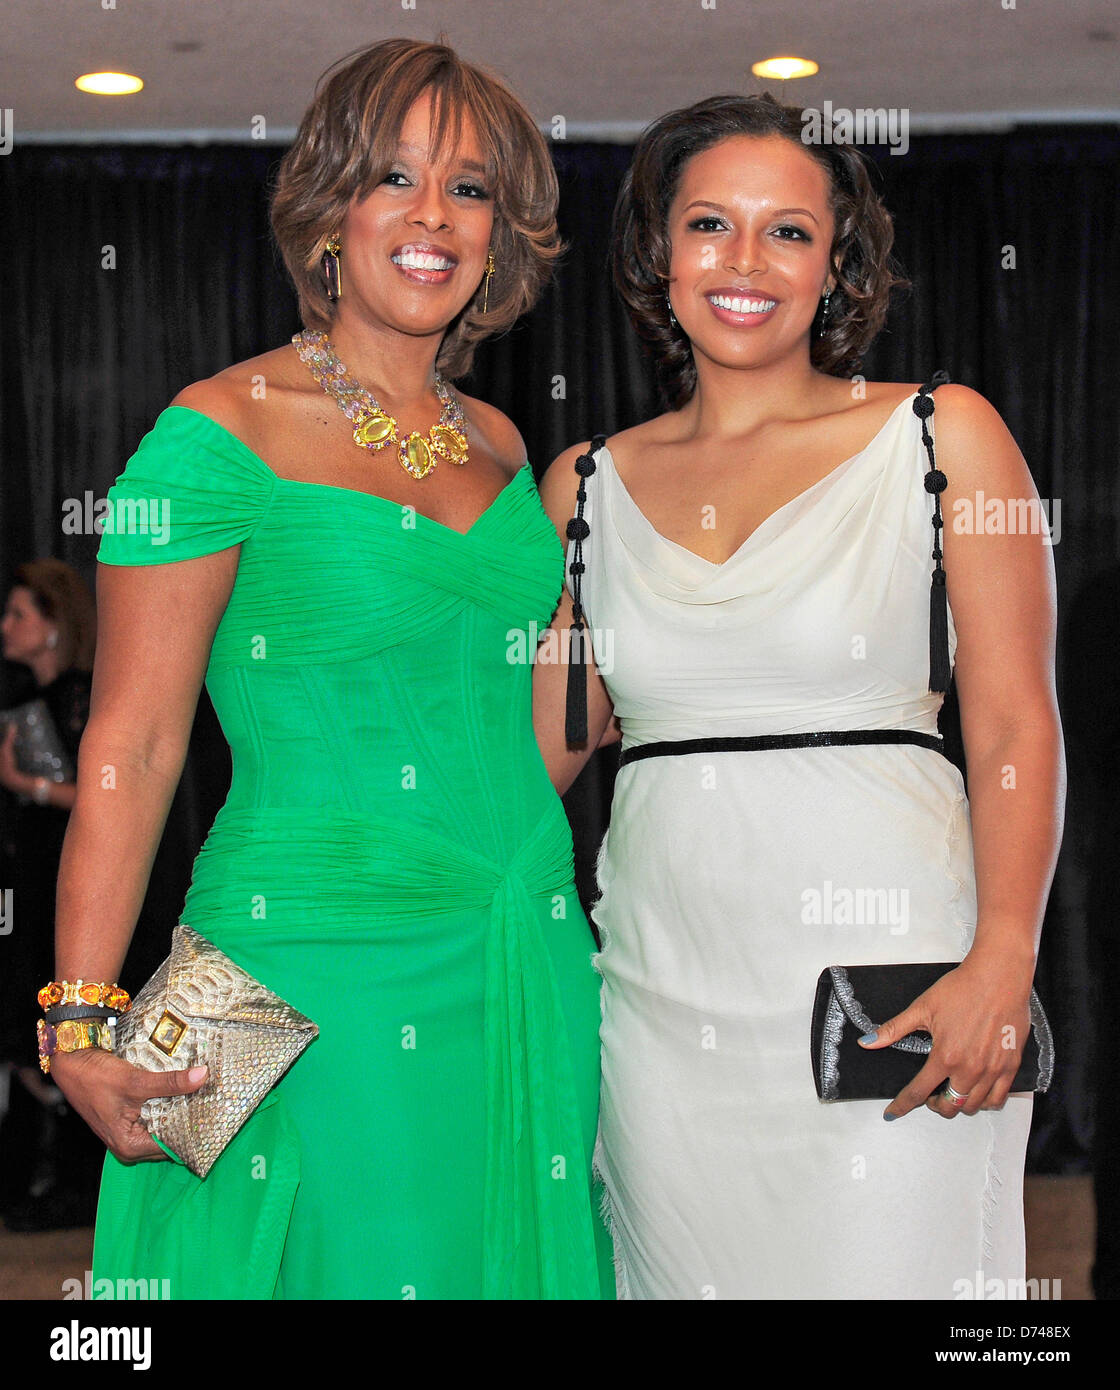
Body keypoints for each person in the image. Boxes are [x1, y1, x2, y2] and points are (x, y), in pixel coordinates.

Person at [49, 37, 613, 1299]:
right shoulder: (213, 434)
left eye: (469, 189)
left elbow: (533, 720)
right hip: (301, 955)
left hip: (522, 939)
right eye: (393, 178)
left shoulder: (502, 443)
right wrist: (79, 1011)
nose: (432, 217)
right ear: (329, 212)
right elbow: (131, 746)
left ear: (501, 231)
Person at [533, 93, 1064, 1299]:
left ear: (837, 264)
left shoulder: (941, 437)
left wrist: (1002, 956)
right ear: (655, 254)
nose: (744, 262)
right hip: (659, 1008)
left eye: (788, 232)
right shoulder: (585, 489)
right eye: (709, 224)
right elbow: (524, 759)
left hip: (896, 987)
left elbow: (1017, 724)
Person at [0, 560, 99, 1230]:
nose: (6, 627)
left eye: (19, 614)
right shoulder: (23, 700)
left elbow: (103, 796)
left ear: (55, 623)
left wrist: (23, 783)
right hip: (33, 882)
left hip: (80, 879)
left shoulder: (84, 697)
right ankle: (41, 1171)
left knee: (73, 1021)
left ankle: (76, 1183)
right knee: (29, 1025)